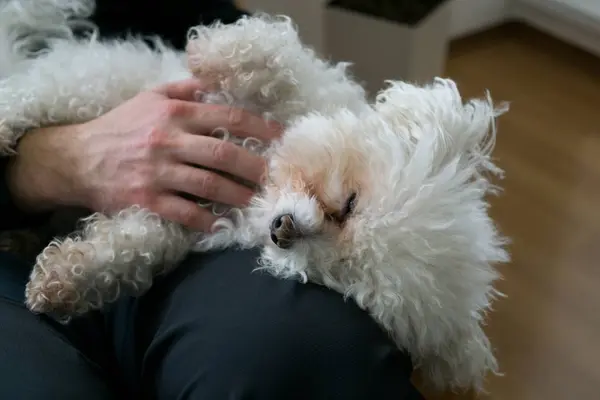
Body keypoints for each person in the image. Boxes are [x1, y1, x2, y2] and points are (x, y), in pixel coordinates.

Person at [0, 1, 424, 399]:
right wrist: (48, 162)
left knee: (314, 349)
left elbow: (219, 28)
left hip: (183, 212)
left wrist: (245, 57)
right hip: (23, 219)